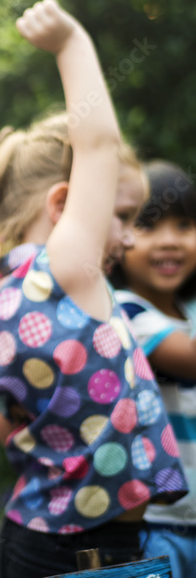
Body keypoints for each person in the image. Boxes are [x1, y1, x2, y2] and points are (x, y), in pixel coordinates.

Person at [0, 0, 187, 577]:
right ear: (64, 204)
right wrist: (71, 43)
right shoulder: (66, 270)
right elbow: (98, 145)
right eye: (123, 214)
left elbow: (13, 436)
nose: (128, 237)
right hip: (91, 552)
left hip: (31, 538)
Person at [110, 160, 196, 578]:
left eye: (184, 225)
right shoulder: (125, 313)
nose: (170, 242)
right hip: (159, 525)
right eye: (149, 226)